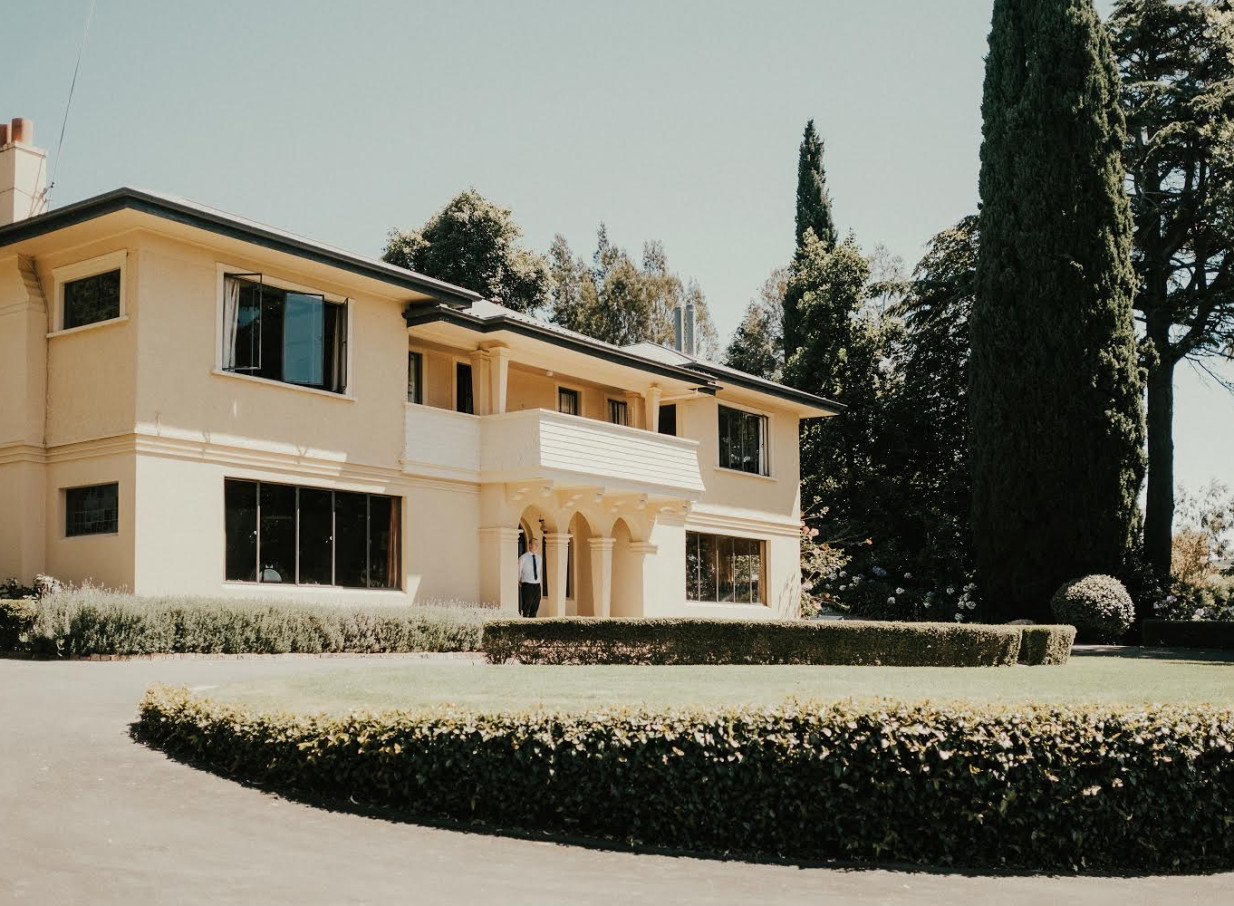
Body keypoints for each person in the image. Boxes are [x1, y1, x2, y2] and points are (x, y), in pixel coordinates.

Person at [518, 537, 543, 618]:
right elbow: (518, 570)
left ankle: (532, 627)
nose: (537, 545)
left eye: (537, 544)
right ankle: (525, 626)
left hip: (537, 586)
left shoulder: (539, 558)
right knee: (526, 608)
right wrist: (519, 581)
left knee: (535, 608)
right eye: (535, 544)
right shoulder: (523, 558)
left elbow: (538, 571)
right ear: (530, 545)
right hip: (527, 585)